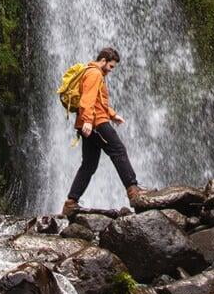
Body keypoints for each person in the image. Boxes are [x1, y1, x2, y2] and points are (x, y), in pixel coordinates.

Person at [61, 47, 150, 216]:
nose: (111, 70)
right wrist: (88, 120)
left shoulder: (92, 73)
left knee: (88, 165)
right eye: (110, 66)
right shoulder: (94, 73)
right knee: (118, 150)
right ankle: (133, 190)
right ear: (103, 60)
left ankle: (71, 203)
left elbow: (98, 100)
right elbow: (87, 98)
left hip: (91, 122)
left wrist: (113, 115)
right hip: (96, 123)